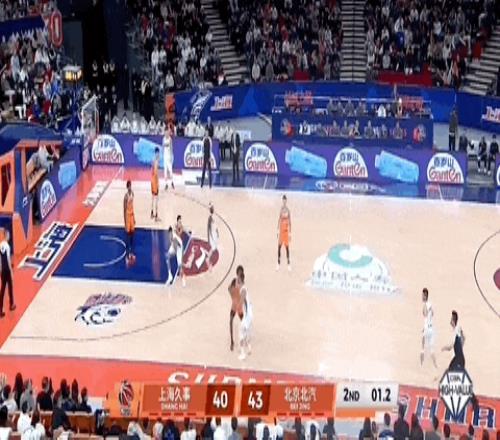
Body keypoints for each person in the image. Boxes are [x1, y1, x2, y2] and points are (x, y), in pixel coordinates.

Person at [421, 288, 438, 371]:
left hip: (427, 329)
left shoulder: (425, 305)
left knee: (422, 348)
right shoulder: (430, 304)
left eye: (422, 295)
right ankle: (436, 366)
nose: (421, 297)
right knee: (432, 351)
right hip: (432, 329)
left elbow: (425, 314)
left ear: (425, 296)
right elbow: (432, 314)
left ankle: (420, 366)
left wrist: (424, 328)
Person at [228, 265, 244, 351]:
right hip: (235, 304)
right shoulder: (235, 281)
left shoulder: (240, 281)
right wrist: (232, 296)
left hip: (238, 304)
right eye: (239, 272)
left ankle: (243, 338)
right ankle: (232, 341)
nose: (239, 274)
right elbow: (229, 289)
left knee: (243, 322)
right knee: (231, 321)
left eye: (240, 273)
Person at [0, 229, 15, 318]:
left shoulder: (0, 245)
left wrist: (0, 269)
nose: (9, 237)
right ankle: (11, 304)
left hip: (2, 270)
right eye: (8, 235)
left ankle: (0, 309)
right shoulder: (7, 246)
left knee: (2, 289)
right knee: (10, 287)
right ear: (6, 235)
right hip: (7, 270)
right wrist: (11, 271)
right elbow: (8, 260)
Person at [238, 270, 253, 360]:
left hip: (247, 316)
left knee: (241, 333)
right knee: (246, 332)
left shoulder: (243, 290)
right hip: (250, 315)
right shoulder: (245, 288)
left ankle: (243, 354)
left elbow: (243, 303)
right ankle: (249, 347)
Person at [277, 195, 291, 271]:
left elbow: (290, 221)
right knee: (279, 247)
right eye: (283, 200)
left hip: (286, 231)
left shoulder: (288, 210)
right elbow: (279, 219)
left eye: (285, 200)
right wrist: (277, 229)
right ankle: (278, 263)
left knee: (287, 248)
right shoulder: (281, 210)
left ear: (286, 201)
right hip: (281, 231)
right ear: (282, 201)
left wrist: (290, 233)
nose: (284, 201)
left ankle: (288, 264)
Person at [123, 180, 136, 262]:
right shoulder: (126, 197)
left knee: (132, 234)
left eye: (131, 186)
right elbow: (124, 209)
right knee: (128, 234)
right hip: (127, 216)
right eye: (129, 186)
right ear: (127, 187)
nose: (130, 187)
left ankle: (131, 252)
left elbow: (132, 206)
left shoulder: (132, 194)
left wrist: (134, 218)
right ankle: (127, 254)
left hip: (131, 215)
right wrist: (125, 221)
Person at [207, 204, 219, 272]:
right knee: (213, 248)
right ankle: (208, 261)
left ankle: (208, 260)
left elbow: (213, 228)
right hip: (213, 235)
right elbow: (213, 228)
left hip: (213, 235)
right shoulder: (211, 219)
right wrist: (216, 234)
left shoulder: (211, 218)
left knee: (213, 248)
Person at [151, 147, 160, 221]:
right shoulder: (156, 161)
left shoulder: (153, 160)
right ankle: (156, 215)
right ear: (156, 153)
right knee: (156, 198)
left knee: (153, 198)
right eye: (158, 153)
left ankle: (152, 213)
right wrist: (157, 183)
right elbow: (156, 172)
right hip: (155, 181)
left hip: (152, 180)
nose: (158, 154)